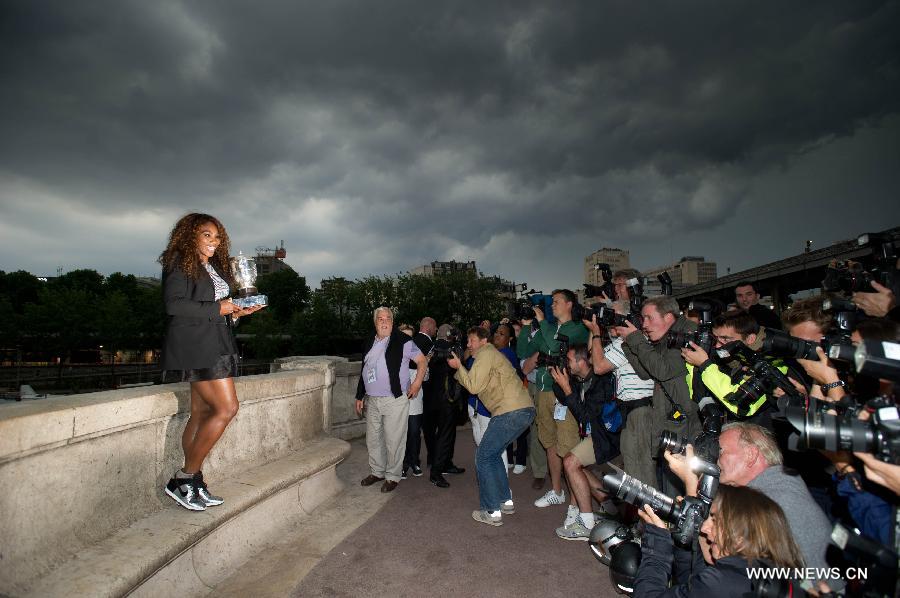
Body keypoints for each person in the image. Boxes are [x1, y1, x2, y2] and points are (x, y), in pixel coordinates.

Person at [159, 213, 264, 511]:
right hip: (197, 345)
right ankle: (183, 478)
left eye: (217, 237)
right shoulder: (180, 261)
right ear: (190, 234)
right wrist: (222, 306)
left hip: (215, 341)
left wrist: (235, 313)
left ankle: (194, 481)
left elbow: (212, 309)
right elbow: (174, 305)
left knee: (201, 411)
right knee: (227, 408)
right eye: (207, 235)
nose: (214, 242)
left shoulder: (210, 267)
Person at [668, 422, 837, 591]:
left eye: (720, 452)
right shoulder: (777, 483)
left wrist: (692, 486)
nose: (715, 461)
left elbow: (717, 558)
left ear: (751, 454)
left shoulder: (773, 499)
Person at [634, 485, 805, 597]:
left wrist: (657, 543)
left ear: (740, 532)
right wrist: (684, 535)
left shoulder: (722, 582)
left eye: (715, 520)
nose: (705, 528)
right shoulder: (781, 572)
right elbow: (691, 584)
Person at [449, 327, 535, 527]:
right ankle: (505, 502)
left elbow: (473, 386)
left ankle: (491, 511)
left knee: (483, 456)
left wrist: (457, 367)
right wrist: (460, 367)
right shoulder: (489, 356)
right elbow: (476, 381)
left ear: (483, 341)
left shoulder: (486, 353)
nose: (468, 344)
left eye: (471, 340)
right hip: (520, 410)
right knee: (493, 454)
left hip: (510, 411)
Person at [620, 295, 700, 495]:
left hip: (686, 422)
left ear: (668, 317)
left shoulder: (685, 334)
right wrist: (628, 344)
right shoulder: (666, 336)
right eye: (642, 319)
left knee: (680, 483)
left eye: (649, 318)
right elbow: (646, 372)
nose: (644, 325)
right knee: (669, 480)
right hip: (670, 418)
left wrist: (635, 338)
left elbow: (662, 370)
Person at [517, 289, 589, 508]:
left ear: (569, 304)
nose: (552, 305)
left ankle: (577, 501)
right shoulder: (550, 328)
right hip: (544, 392)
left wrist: (543, 324)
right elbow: (524, 350)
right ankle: (557, 491)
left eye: (556, 301)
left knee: (567, 446)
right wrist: (528, 325)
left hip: (563, 392)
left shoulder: (578, 328)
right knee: (548, 443)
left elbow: (556, 347)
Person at [548, 344, 620, 541]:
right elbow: (564, 398)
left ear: (581, 361)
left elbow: (585, 416)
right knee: (578, 465)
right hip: (596, 435)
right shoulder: (581, 379)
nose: (568, 364)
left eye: (569, 361)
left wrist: (567, 388)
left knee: (571, 462)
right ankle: (607, 503)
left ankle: (587, 524)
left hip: (607, 436)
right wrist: (559, 379)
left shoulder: (599, 383)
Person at [586, 299, 657, 494]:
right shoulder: (623, 341)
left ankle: (650, 521)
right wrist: (595, 333)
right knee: (633, 467)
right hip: (630, 410)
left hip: (640, 411)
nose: (609, 318)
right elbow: (594, 358)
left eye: (613, 314)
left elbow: (599, 367)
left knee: (641, 471)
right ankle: (641, 518)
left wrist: (597, 333)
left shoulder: (630, 341)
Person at [355, 307, 428, 493]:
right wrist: (359, 395)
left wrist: (417, 382)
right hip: (372, 399)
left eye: (388, 318)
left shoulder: (403, 340)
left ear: (393, 322)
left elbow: (422, 360)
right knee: (373, 439)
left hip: (394, 399)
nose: (384, 322)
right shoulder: (369, 340)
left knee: (394, 440)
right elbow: (365, 368)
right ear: (375, 322)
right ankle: (377, 471)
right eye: (380, 319)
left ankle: (393, 476)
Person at [399, 323, 426, 479]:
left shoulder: (418, 355)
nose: (407, 340)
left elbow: (426, 375)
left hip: (415, 402)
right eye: (404, 336)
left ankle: (414, 462)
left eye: (410, 337)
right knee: (400, 435)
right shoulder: (394, 354)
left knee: (414, 433)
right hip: (398, 403)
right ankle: (402, 464)